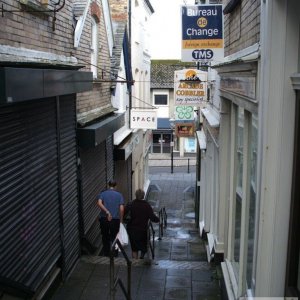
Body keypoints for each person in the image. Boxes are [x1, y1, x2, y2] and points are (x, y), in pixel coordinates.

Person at [125, 189, 159, 259]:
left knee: (134, 248)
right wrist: (158, 219)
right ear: (143, 196)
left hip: (132, 229)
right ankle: (142, 256)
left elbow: (124, 214)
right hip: (142, 230)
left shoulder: (130, 204)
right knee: (143, 246)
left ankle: (135, 261)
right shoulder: (146, 205)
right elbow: (152, 217)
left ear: (136, 195)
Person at [97, 180, 124, 257]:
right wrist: (121, 221)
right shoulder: (119, 195)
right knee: (114, 237)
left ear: (108, 185)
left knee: (105, 236)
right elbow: (121, 209)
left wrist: (107, 211)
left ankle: (106, 254)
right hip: (115, 220)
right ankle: (114, 254)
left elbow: (99, 203)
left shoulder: (103, 194)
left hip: (104, 219)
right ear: (115, 186)